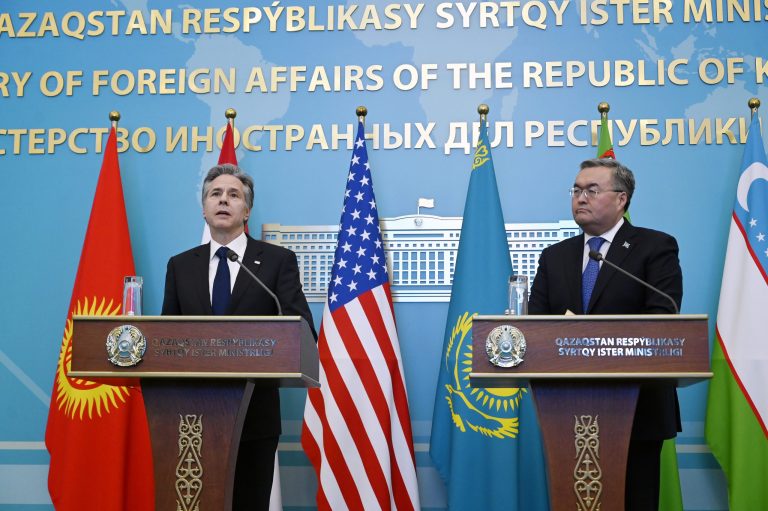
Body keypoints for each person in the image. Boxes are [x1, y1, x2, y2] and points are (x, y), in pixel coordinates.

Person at [528, 158, 682, 511]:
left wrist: (593, 338)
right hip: (566, 408)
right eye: (576, 190)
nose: (580, 197)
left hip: (637, 408)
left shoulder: (654, 247)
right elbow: (535, 326)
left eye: (591, 190)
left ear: (621, 199)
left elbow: (663, 315)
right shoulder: (555, 256)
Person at [162, 163, 315, 511]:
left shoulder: (277, 261)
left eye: (234, 195)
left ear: (246, 210)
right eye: (215, 194)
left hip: (255, 414)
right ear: (203, 208)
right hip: (192, 417)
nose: (223, 200)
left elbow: (301, 326)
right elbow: (167, 335)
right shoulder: (180, 265)